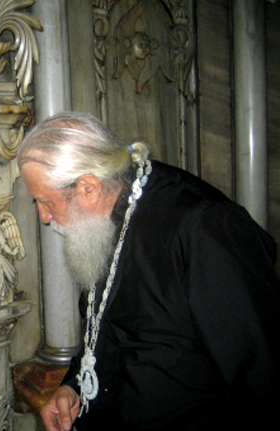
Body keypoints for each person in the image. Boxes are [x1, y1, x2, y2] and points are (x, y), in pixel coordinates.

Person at [17, 111, 280, 430]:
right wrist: (73, 385)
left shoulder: (203, 227)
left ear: (88, 188)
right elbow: (105, 327)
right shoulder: (98, 222)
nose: (44, 217)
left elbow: (260, 372)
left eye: (46, 201)